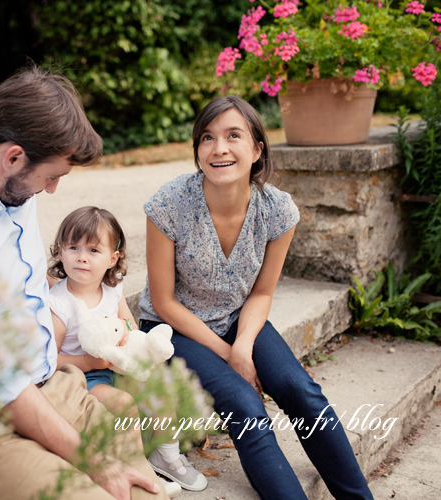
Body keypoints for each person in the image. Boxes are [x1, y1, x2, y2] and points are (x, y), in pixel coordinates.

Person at [0, 64, 166, 500]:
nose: (53, 190)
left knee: (143, 489)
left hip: (48, 386)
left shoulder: (12, 191)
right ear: (13, 157)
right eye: (53, 175)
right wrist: (91, 462)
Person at [137, 95, 374, 500]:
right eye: (207, 138)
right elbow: (163, 303)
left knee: (299, 390)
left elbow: (262, 293)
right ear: (197, 149)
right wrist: (229, 355)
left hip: (238, 318)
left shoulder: (278, 210)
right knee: (246, 406)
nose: (219, 148)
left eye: (233, 136)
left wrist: (242, 346)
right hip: (173, 328)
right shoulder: (169, 205)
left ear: (257, 149)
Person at [47, 207, 206, 497]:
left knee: (157, 385)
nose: (82, 256)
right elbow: (50, 359)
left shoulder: (112, 290)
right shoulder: (59, 303)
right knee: (123, 404)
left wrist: (131, 342)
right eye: (73, 247)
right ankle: (140, 474)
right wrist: (86, 361)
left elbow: (131, 328)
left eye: (94, 250)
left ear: (113, 258)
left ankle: (166, 454)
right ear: (60, 251)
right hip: (82, 379)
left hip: (115, 366)